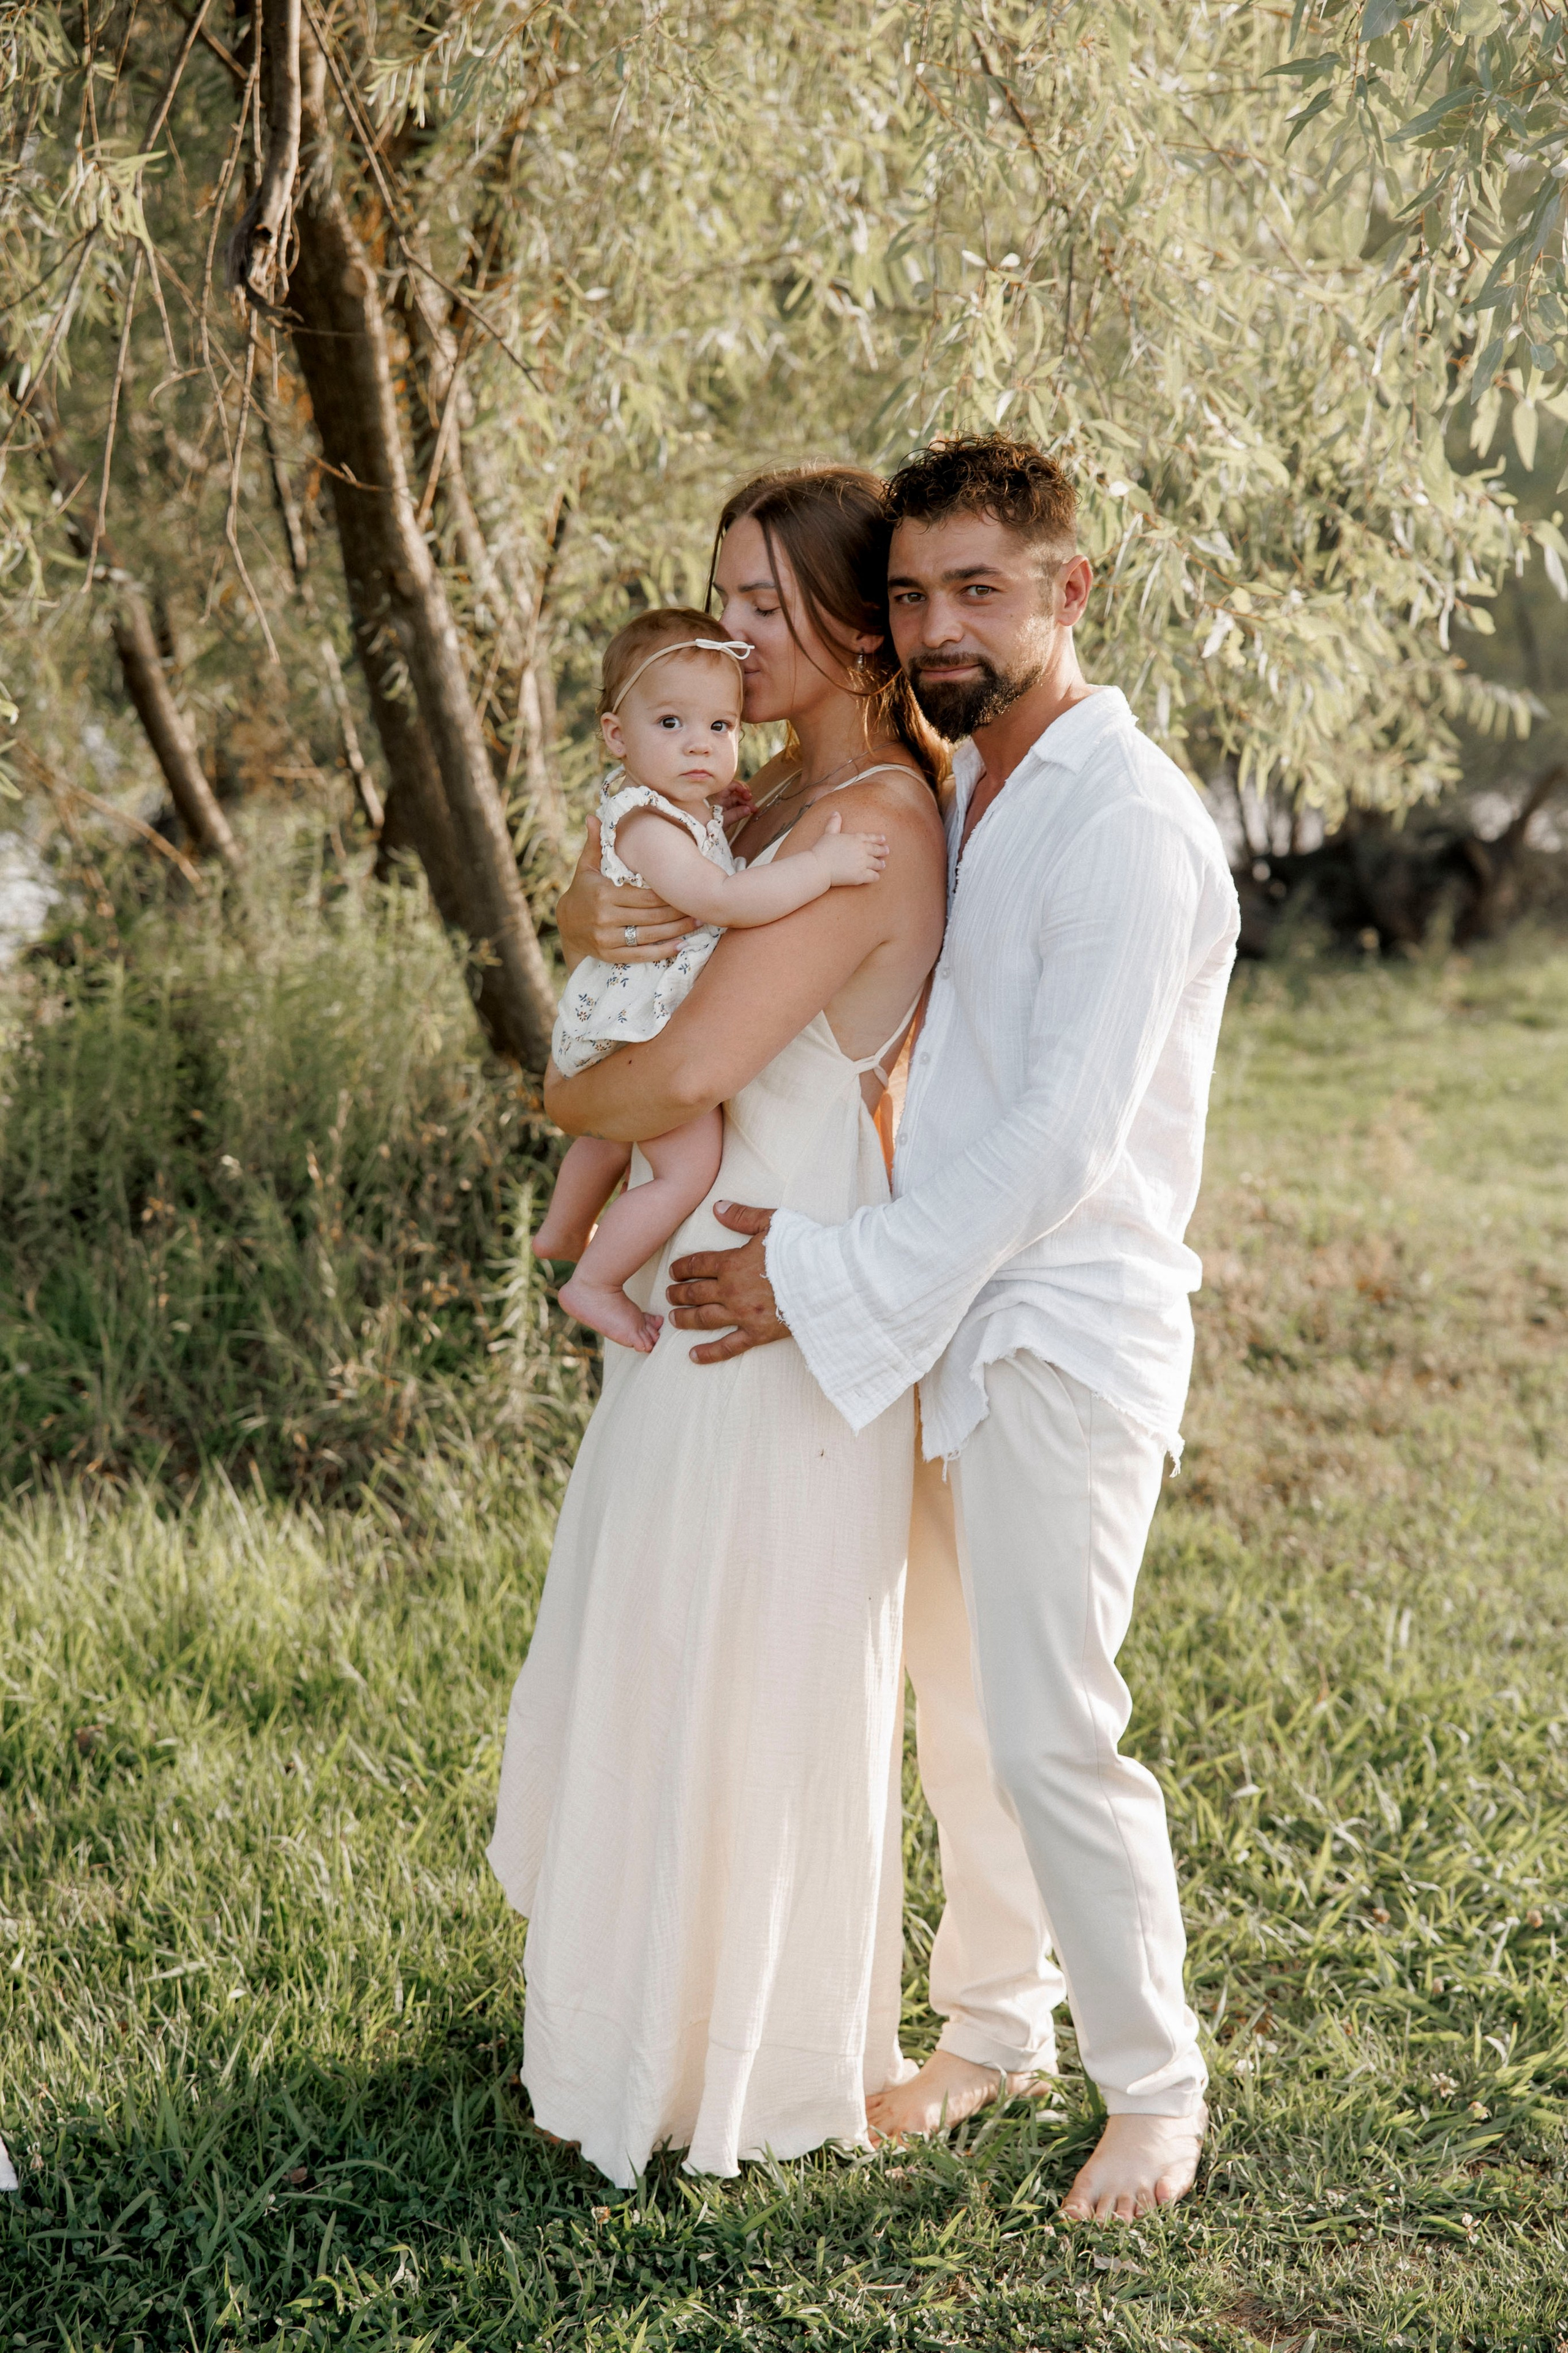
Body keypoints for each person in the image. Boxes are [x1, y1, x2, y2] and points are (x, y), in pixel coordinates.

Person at [562, 436, 1241, 2224]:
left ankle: (1153, 2086)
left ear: (1065, 591)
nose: (944, 622)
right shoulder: (961, 789)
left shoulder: (1128, 821)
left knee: (1045, 1723)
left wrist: (816, 1275)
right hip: (924, 1307)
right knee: (956, 1707)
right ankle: (994, 2026)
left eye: (979, 591)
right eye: (920, 591)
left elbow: (1057, 1145)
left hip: (1054, 1323)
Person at [488, 466, 948, 2187]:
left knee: (747, 1670)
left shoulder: (875, 825)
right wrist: (584, 989)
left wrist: (559, 1094)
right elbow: (635, 996)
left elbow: (674, 1073)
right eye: (719, 600)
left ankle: (730, 2061)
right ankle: (626, 2022)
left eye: (766, 606)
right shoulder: (747, 815)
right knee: (665, 1651)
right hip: (702, 1309)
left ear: (851, 622)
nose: (733, 636)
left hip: (778, 1312)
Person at [533, 606, 889, 1352]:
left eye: (720, 728)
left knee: (609, 1135)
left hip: (624, 1019)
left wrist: (713, 812)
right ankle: (593, 1281)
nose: (699, 744)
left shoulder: (673, 810)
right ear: (614, 736)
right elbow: (721, 901)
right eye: (670, 724)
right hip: (645, 1022)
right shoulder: (646, 825)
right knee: (684, 1169)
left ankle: (563, 1228)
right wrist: (819, 867)